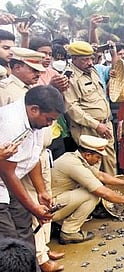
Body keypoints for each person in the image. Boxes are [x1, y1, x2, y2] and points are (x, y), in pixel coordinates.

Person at [0, 85, 64, 260]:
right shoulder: (11, 122)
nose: (49, 124)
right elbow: (7, 173)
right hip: (4, 184)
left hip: (13, 182)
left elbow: (32, 156)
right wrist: (34, 207)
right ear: (34, 109)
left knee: (25, 230)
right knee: (9, 240)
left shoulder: (34, 122)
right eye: (49, 119)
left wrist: (41, 191)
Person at [51, 135, 124, 244]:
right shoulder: (74, 164)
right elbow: (103, 192)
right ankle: (69, 232)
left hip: (56, 201)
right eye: (98, 157)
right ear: (88, 155)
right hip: (50, 208)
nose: (99, 160)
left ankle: (59, 225)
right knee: (92, 195)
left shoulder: (76, 157)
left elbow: (101, 176)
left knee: (89, 189)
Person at [63, 41, 117, 176]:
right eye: (85, 59)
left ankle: (112, 193)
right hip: (88, 128)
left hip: (105, 125)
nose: (90, 62)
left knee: (110, 162)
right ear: (74, 59)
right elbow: (71, 108)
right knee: (93, 166)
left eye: (91, 58)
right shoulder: (69, 77)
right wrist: (96, 125)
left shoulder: (92, 71)